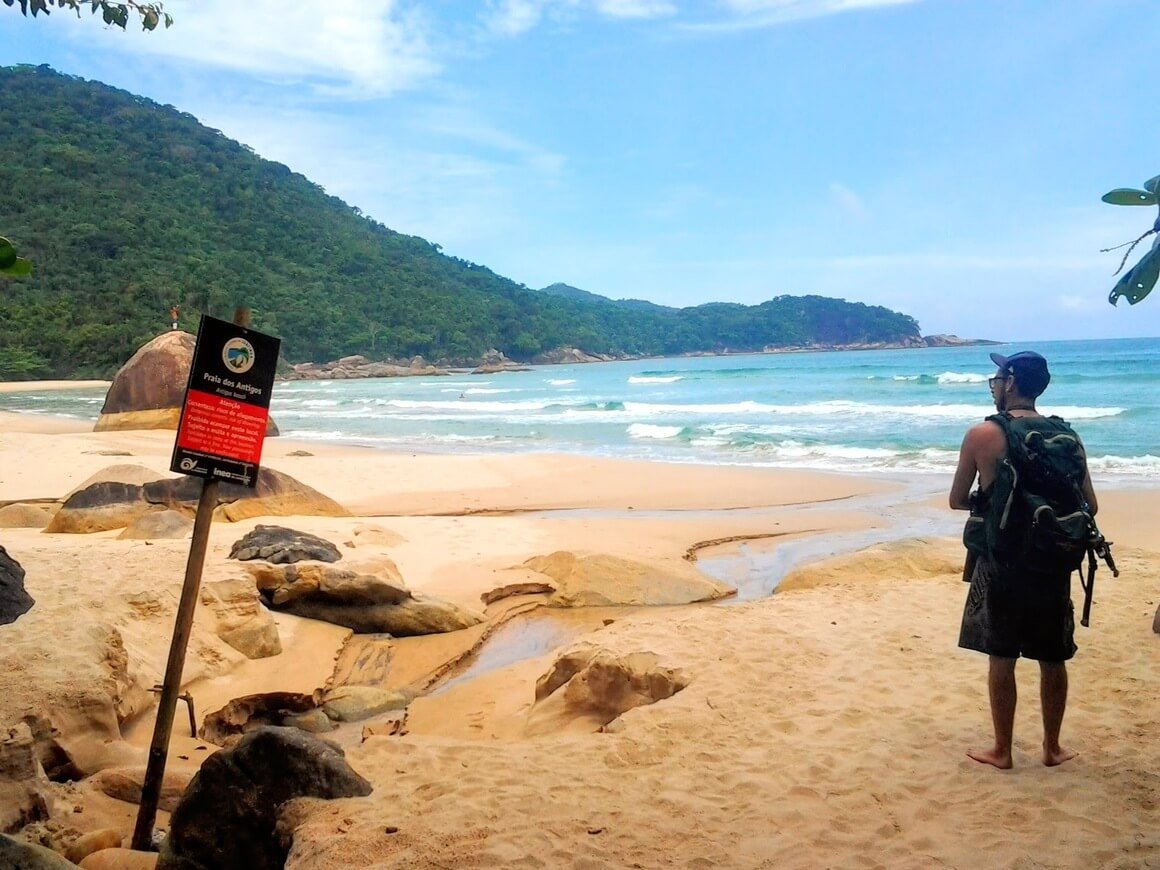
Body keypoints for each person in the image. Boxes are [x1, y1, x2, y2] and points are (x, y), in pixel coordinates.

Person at [948, 350, 1098, 769]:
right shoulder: (1067, 436)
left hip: (1004, 562)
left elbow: (957, 499)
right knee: (1053, 656)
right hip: (1053, 561)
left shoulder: (982, 435)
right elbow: (1091, 504)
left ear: (1010, 382)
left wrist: (992, 501)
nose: (993, 385)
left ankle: (1003, 750)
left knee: (1003, 655)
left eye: (996, 379)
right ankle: (1052, 748)